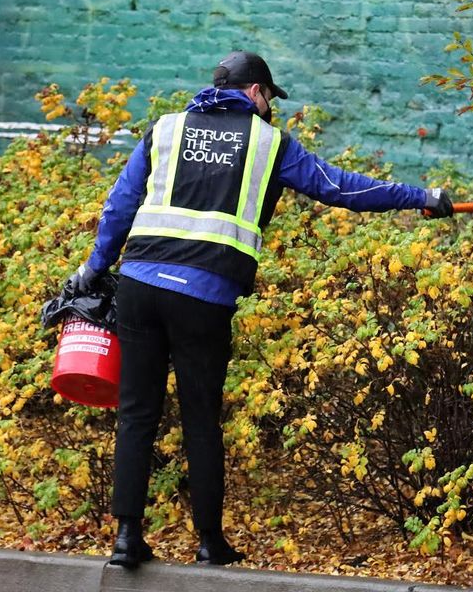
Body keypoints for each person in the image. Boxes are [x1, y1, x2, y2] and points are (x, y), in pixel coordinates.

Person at [67, 51, 453, 568]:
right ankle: (209, 542)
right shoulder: (267, 143)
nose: (271, 107)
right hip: (202, 297)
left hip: (139, 285)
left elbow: (120, 204)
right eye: (270, 96)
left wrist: (94, 267)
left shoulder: (165, 129)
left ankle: (126, 540)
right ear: (254, 93)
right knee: (201, 419)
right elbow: (340, 187)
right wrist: (419, 197)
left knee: (137, 412)